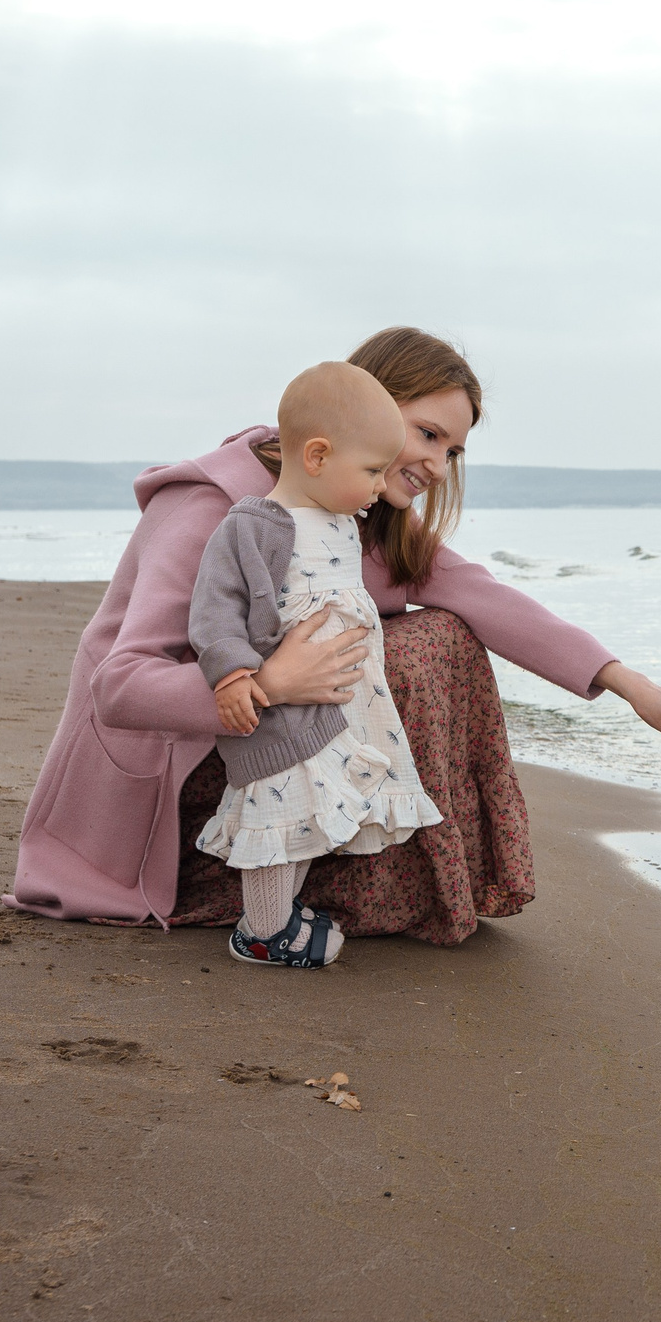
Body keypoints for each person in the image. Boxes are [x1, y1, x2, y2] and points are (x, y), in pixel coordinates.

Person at [5, 327, 661, 945]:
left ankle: (369, 881)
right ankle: (282, 903)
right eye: (426, 433)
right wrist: (266, 682)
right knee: (418, 645)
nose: (435, 464)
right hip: (163, 803)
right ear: (364, 403)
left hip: (272, 763)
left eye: (452, 450)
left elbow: (490, 597)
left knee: (444, 632)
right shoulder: (213, 506)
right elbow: (120, 685)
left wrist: (633, 687)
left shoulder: (361, 521)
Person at [188, 362, 441, 968]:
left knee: (312, 809)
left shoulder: (338, 517)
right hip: (285, 711)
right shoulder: (256, 525)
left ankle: (279, 915)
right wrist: (231, 675)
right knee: (281, 808)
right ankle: (262, 931)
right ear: (319, 456)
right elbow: (214, 608)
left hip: (337, 706)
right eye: (374, 471)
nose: (382, 487)